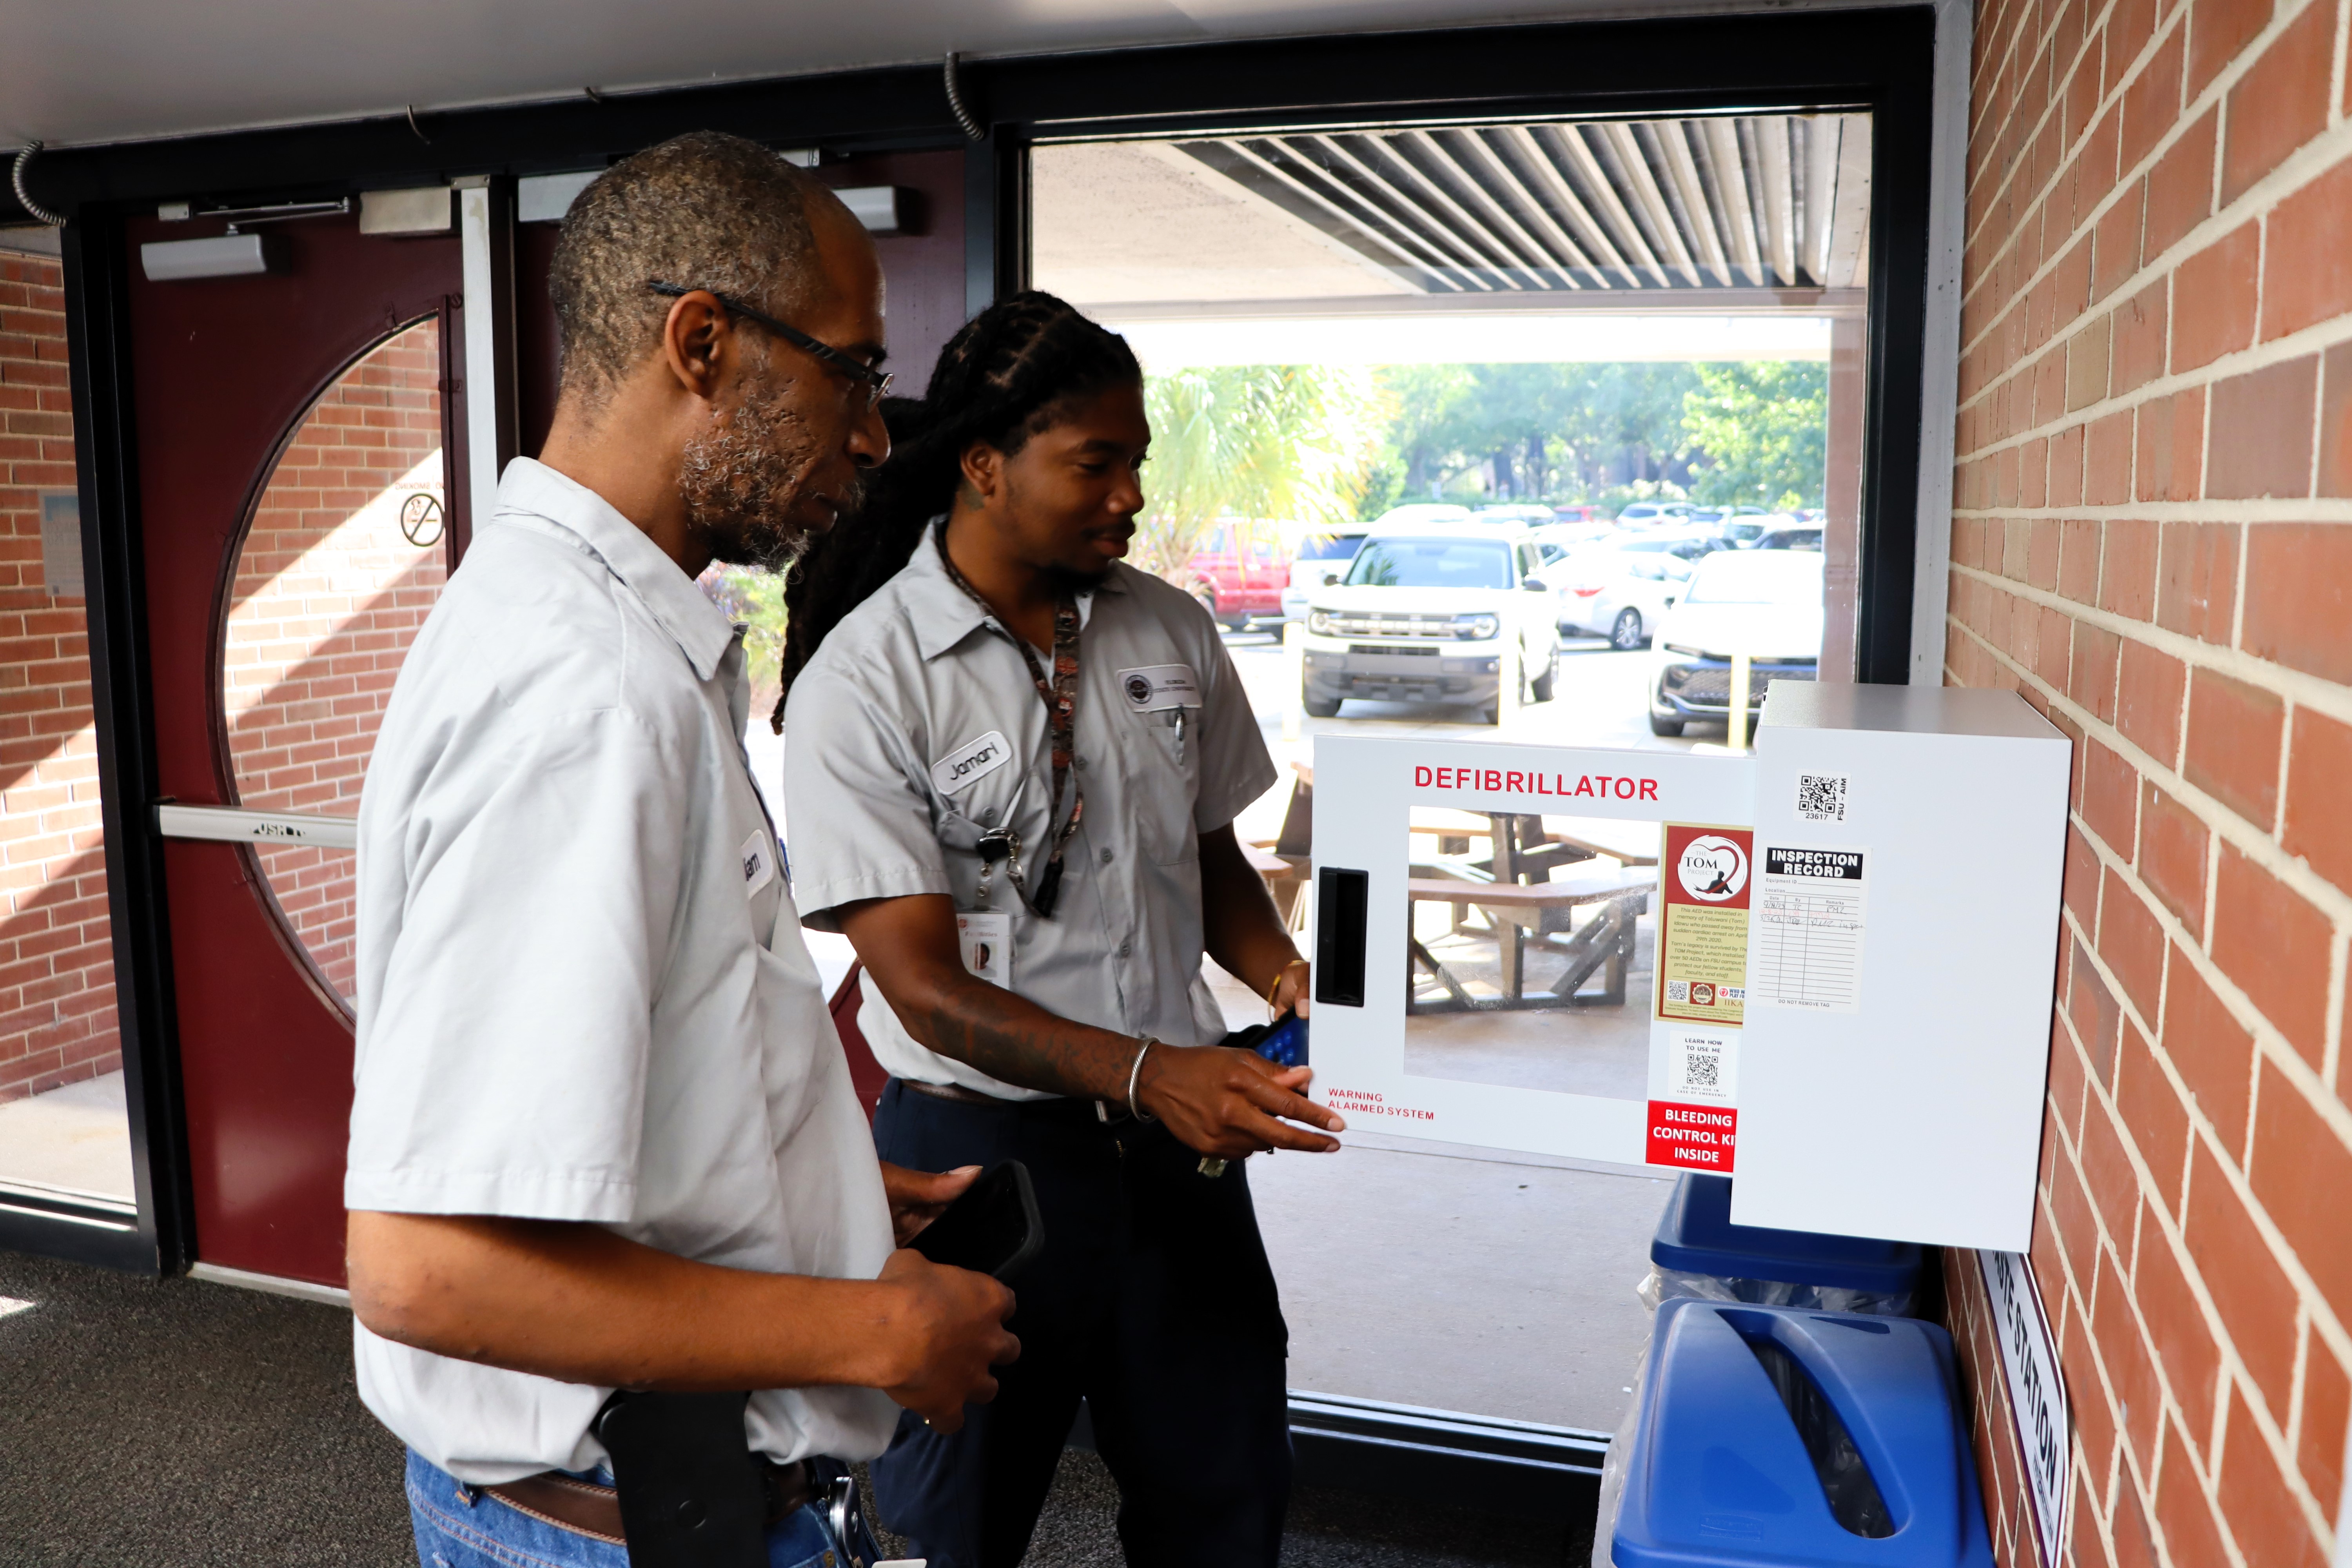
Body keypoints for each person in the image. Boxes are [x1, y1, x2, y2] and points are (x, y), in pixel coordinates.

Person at [341, 132, 1018, 1568]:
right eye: (851, 371)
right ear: (700, 342)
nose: (873, 436)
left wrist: (790, 1181)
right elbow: (426, 1266)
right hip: (624, 1524)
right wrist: (876, 1323)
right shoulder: (584, 687)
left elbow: (616, 1073)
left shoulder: (601, 629)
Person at [778, 291, 1347, 1568]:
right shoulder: (868, 681)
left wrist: (1279, 967)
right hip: (980, 1165)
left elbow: (1205, 861)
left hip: (1181, 1162)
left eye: (1137, 461)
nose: (1130, 494)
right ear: (985, 466)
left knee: (1224, 1504)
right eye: (1097, 463)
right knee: (946, 1528)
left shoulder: (1170, 628)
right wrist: (1154, 1073)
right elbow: (922, 990)